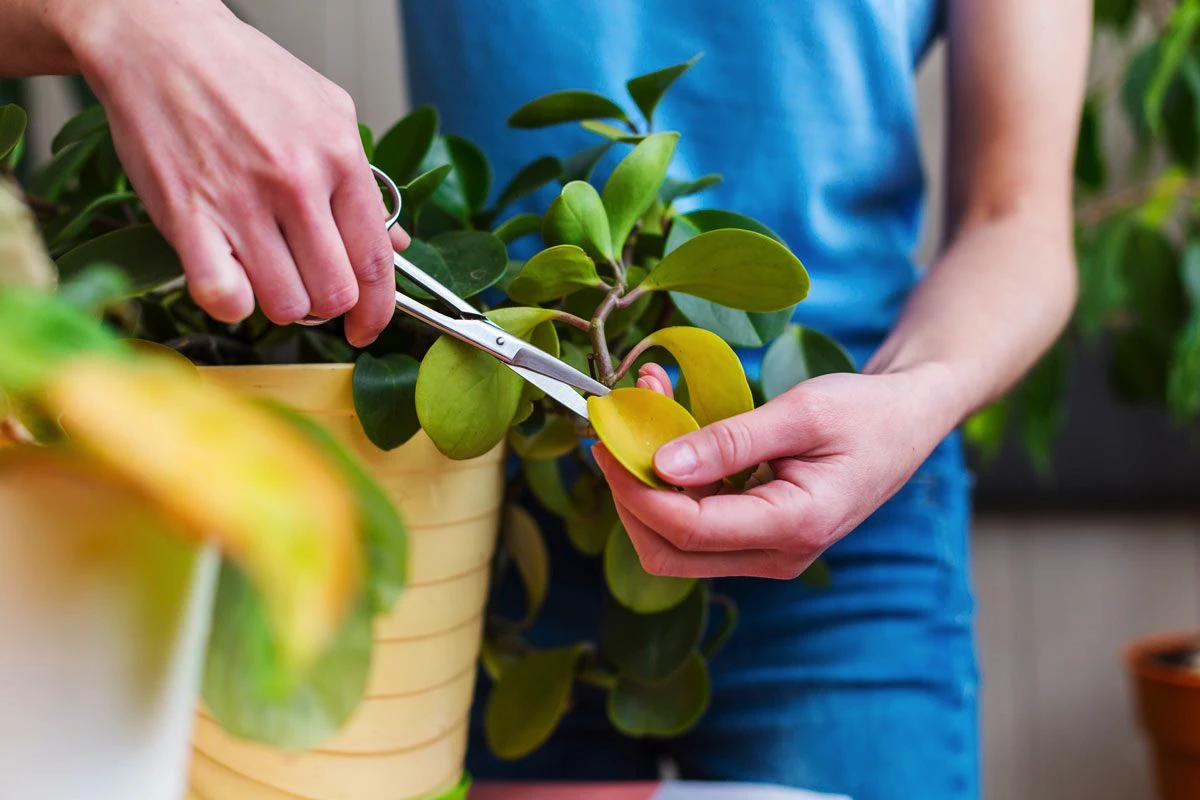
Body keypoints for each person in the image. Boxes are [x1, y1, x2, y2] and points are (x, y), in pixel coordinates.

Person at [3, 1, 1089, 797]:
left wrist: (914, 394)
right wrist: (130, 20)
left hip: (848, 527)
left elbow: (1019, 221)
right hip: (484, 528)